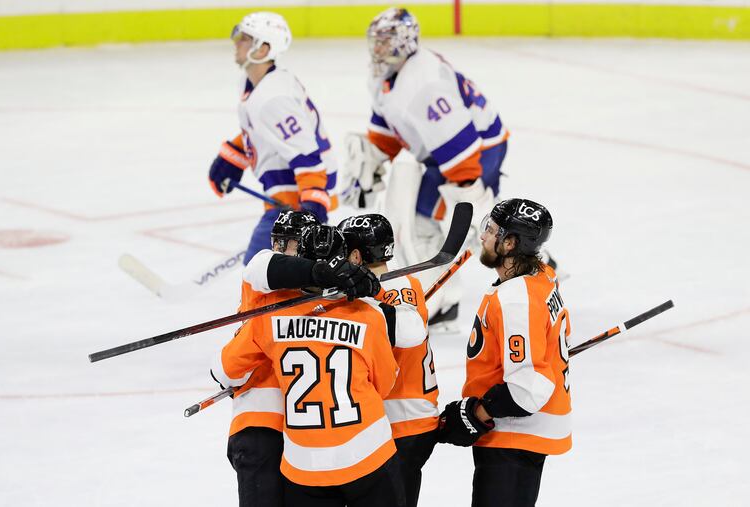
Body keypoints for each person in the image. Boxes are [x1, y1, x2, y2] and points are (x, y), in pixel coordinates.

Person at [212, 225, 407, 507]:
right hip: (367, 452)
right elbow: (385, 384)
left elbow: (222, 370)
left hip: (304, 465)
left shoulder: (268, 314)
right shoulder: (370, 316)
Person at [340, 6, 508, 329]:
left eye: (385, 41)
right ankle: (441, 297)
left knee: (484, 232)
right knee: (419, 218)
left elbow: (462, 152)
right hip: (443, 150)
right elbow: (388, 131)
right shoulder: (387, 74)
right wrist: (369, 162)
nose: (376, 49)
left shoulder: (423, 86)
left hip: (480, 149)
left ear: (403, 43)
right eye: (374, 41)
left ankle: (526, 257)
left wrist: (474, 207)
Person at [436, 198, 572, 507]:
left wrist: (475, 416)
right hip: (519, 433)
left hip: (515, 434)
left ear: (510, 243)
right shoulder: (541, 273)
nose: (483, 236)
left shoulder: (516, 300)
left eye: (491, 230)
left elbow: (527, 389)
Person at [207, 12, 338, 265]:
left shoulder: (274, 98)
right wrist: (233, 157)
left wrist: (311, 213)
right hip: (286, 193)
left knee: (259, 270)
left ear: (263, 48)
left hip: (295, 199)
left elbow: (308, 158)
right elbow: (265, 132)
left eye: (245, 38)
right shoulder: (256, 83)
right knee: (268, 273)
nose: (236, 42)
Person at [337, 214, 438, 507]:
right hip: (418, 418)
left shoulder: (365, 294)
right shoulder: (410, 282)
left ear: (356, 254)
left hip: (398, 423)